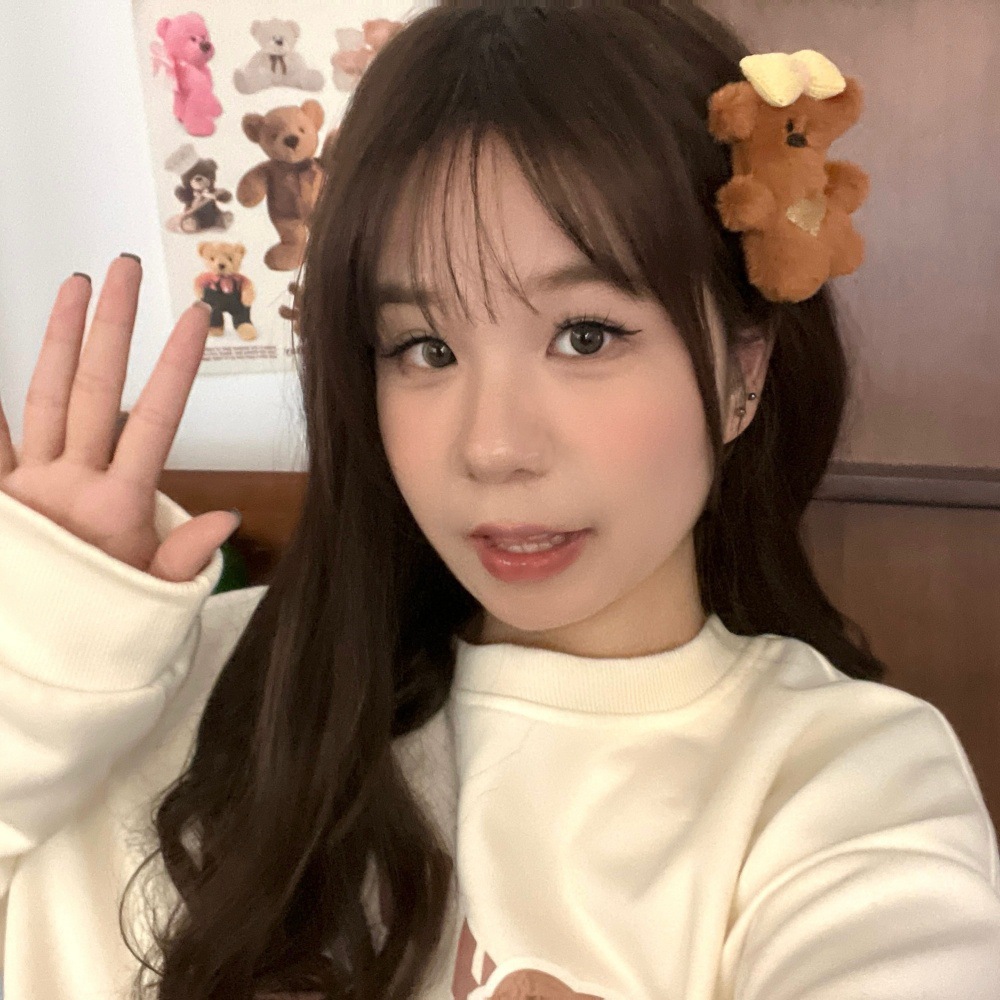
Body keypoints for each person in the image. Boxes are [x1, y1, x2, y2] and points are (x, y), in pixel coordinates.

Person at [1, 2, 998, 999]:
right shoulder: (167, 682)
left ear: (745, 370)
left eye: (585, 335)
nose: (491, 448)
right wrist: (32, 670)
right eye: (425, 348)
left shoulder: (847, 781)